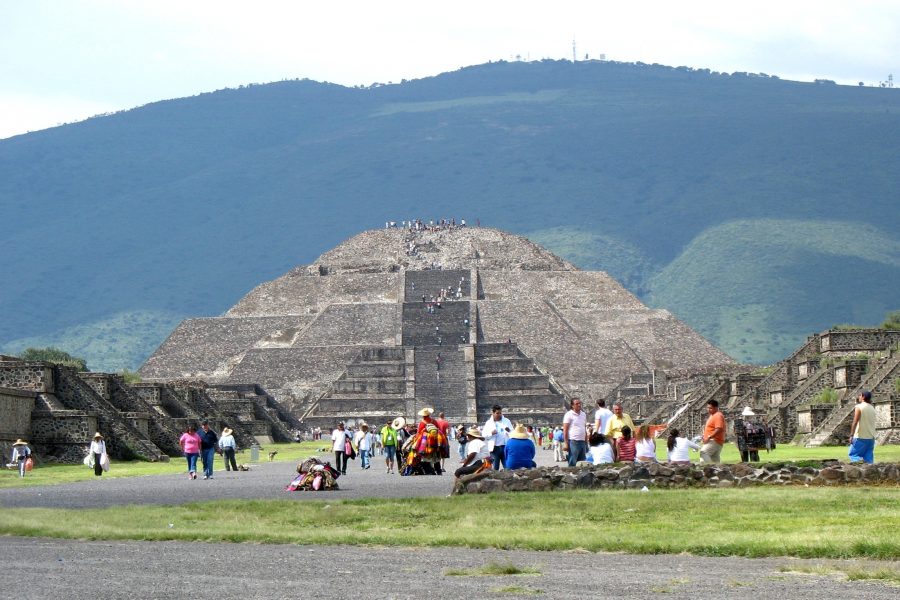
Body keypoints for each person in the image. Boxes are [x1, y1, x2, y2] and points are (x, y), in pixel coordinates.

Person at [848, 390, 876, 464]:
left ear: (863, 397)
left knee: (853, 455)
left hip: (860, 437)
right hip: (871, 437)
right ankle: (870, 473)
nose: (859, 397)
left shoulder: (859, 407)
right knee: (868, 458)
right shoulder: (872, 408)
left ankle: (861, 470)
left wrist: (851, 435)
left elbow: (855, 421)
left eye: (860, 395)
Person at [482, 405, 513, 470]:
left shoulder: (507, 421)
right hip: (494, 449)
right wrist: (491, 433)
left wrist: (509, 431)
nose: (499, 415)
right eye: (497, 413)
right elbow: (484, 435)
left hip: (505, 447)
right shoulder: (488, 423)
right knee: (495, 468)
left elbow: (512, 433)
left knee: (507, 467)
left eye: (500, 413)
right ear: (493, 413)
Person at [563, 398, 588, 466]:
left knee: (582, 463)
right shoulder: (569, 414)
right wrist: (566, 443)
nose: (579, 405)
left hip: (582, 441)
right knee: (572, 462)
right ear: (572, 405)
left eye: (580, 403)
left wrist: (586, 442)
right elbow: (565, 430)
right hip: (574, 441)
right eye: (577, 404)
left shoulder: (583, 414)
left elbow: (584, 428)